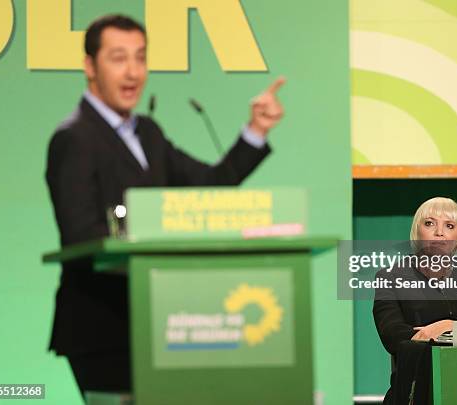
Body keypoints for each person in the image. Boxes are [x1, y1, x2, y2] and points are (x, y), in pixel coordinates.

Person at [45, 14, 284, 396]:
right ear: (90, 66)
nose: (132, 71)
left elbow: (210, 184)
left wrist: (256, 131)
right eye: (118, 58)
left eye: (140, 58)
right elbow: (79, 236)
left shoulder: (148, 133)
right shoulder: (74, 138)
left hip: (159, 318)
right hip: (103, 325)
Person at [373, 197, 457, 404]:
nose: (439, 232)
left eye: (449, 225)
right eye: (429, 223)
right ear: (417, 231)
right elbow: (394, 336)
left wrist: (449, 327)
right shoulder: (390, 276)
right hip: (415, 390)